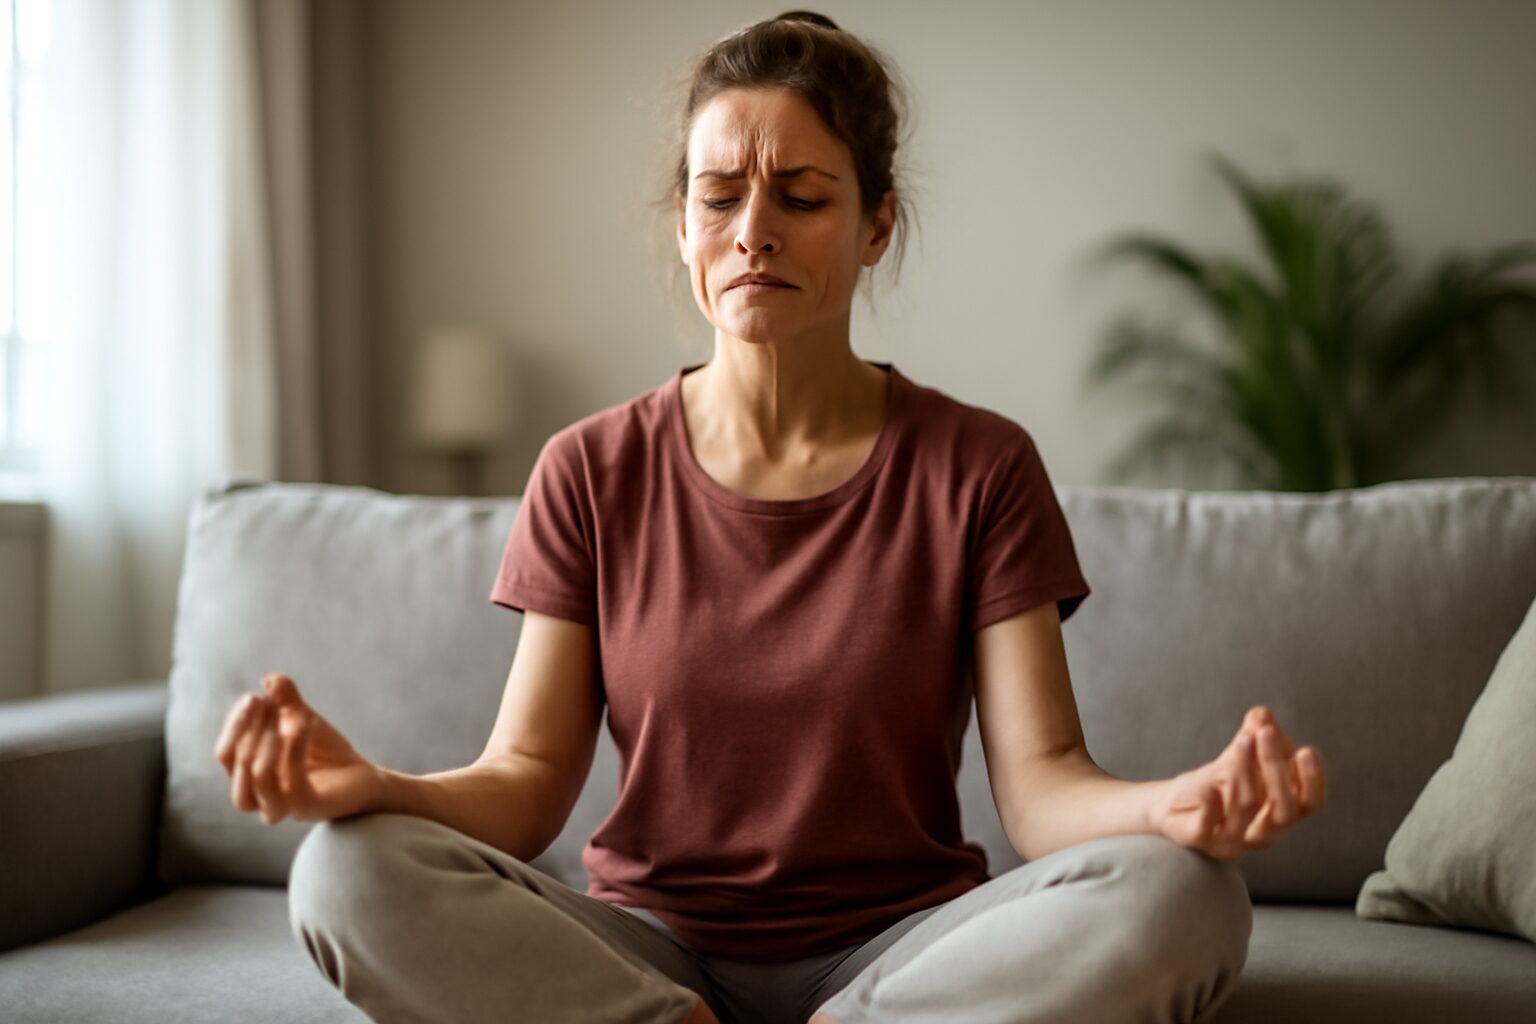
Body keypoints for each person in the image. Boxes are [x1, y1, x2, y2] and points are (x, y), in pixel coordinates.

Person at [214, 11, 1327, 1024]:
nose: (755, 231)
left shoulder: (980, 465)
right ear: (686, 226)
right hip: (646, 952)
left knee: (1186, 892)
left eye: (801, 196)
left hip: (904, 953)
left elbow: (1040, 792)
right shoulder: (590, 469)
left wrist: (1181, 804)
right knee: (342, 870)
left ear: (876, 224)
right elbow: (522, 784)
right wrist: (372, 787)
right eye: (719, 196)